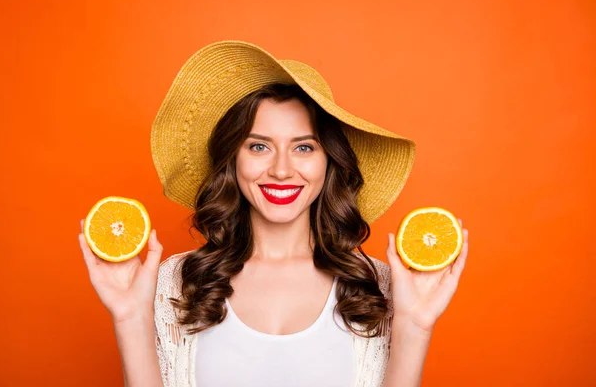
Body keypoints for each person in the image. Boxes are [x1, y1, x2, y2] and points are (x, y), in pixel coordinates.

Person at [78, 40, 469, 387]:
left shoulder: (380, 289)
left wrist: (415, 326)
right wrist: (130, 316)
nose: (282, 169)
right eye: (259, 146)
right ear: (232, 160)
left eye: (303, 147)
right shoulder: (172, 284)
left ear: (329, 162)